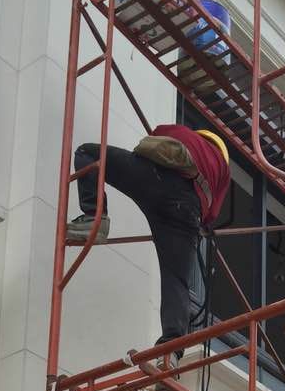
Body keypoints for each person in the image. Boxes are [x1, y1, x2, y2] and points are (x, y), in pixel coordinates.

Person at [68, 124, 230, 366]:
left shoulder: (180, 132)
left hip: (153, 177)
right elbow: (212, 214)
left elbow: (150, 139)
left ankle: (95, 217)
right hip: (187, 211)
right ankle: (171, 351)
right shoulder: (222, 171)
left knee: (87, 154)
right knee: (176, 280)